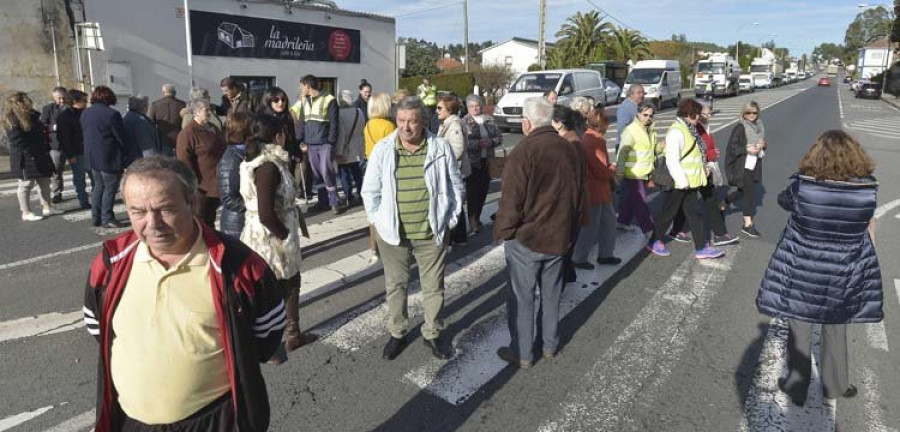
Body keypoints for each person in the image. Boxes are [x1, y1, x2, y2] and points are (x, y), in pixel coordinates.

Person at [82, 156, 286, 432]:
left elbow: (265, 338)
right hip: (130, 423)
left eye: (165, 209)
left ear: (192, 202)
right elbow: (98, 327)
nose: (152, 224)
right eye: (138, 211)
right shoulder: (110, 263)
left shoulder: (240, 268)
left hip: (213, 420)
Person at [757, 130, 882, 407]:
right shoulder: (867, 189)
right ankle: (835, 385)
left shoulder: (803, 186)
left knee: (799, 323)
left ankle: (797, 385)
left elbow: (783, 201)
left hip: (804, 266)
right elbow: (867, 223)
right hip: (844, 269)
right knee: (837, 325)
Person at [361, 96, 464, 361]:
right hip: (393, 235)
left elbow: (455, 186)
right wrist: (378, 220)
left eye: (412, 121)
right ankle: (398, 332)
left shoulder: (440, 147)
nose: (406, 127)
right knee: (396, 286)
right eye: (401, 120)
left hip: (432, 233)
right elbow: (369, 191)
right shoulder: (383, 149)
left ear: (424, 122)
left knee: (434, 287)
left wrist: (450, 218)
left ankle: (432, 332)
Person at [494, 97, 584, 368]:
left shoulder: (524, 151)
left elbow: (511, 200)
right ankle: (549, 346)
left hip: (527, 238)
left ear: (526, 123)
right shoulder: (569, 148)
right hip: (558, 234)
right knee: (552, 294)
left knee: (522, 298)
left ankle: (523, 353)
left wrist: (503, 231)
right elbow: (578, 194)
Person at [240, 115, 317, 365]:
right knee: (284, 285)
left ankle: (286, 336)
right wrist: (284, 235)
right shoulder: (268, 165)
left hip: (264, 232)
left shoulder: (259, 160)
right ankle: (281, 340)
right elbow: (265, 212)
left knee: (279, 285)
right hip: (270, 236)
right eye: (284, 133)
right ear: (277, 136)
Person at [646, 99, 725, 260]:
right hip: (680, 182)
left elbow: (694, 154)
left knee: (693, 213)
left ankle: (701, 247)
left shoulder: (689, 129)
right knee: (669, 213)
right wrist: (682, 181)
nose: (699, 118)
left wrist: (703, 169)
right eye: (697, 114)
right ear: (690, 114)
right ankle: (655, 241)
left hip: (690, 181)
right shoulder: (677, 131)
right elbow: (672, 159)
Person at [668, 102, 739, 246]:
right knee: (680, 206)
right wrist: (711, 154)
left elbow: (703, 149)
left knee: (708, 200)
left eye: (708, 114)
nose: (706, 116)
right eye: (703, 114)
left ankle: (718, 234)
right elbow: (698, 150)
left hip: (702, 169)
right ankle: (670, 233)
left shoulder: (703, 127)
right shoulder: (694, 127)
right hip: (691, 172)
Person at [572, 108, 621, 268]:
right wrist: (613, 169)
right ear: (603, 126)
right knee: (593, 226)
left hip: (592, 189)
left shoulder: (586, 137)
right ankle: (582, 257)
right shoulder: (597, 141)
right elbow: (601, 169)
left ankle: (603, 254)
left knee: (605, 222)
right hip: (597, 189)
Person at [4, 91, 62, 221]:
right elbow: (17, 141)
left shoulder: (33, 115)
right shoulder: (12, 119)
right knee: (25, 184)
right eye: (26, 100)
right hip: (25, 157)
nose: (29, 102)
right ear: (19, 103)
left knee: (44, 182)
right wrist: (30, 153)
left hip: (40, 153)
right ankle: (26, 212)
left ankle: (47, 207)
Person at [296, 74, 344, 214]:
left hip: (324, 144)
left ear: (307, 86)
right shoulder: (305, 101)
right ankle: (323, 201)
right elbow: (302, 122)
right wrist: (301, 141)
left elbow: (335, 124)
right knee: (317, 174)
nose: (300, 89)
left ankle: (334, 201)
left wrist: (330, 142)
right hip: (311, 144)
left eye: (301, 86)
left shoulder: (329, 100)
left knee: (327, 172)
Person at [82, 86, 127, 228]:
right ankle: (107, 217)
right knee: (110, 188)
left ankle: (95, 217)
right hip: (109, 155)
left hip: (92, 156)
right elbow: (120, 136)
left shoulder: (86, 113)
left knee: (98, 186)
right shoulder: (112, 114)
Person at [177, 99, 226, 227]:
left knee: (211, 219)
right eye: (207, 110)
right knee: (201, 222)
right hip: (202, 188)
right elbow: (184, 161)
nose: (210, 112)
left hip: (217, 183)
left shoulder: (213, 128)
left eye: (210, 109)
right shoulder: (188, 133)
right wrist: (194, 184)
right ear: (196, 112)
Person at [363, 93, 396, 264]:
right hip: (386, 169)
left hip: (370, 166)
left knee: (372, 211)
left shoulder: (368, 124)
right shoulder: (389, 126)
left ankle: (373, 248)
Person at [725, 101, 766, 238]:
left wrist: (763, 145)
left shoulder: (759, 126)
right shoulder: (740, 127)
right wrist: (746, 149)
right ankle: (747, 224)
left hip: (755, 162)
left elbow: (761, 143)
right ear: (744, 113)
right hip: (743, 164)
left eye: (754, 112)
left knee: (744, 190)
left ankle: (723, 202)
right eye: (748, 112)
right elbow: (732, 148)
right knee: (749, 194)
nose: (752, 115)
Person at [462, 94, 502, 234]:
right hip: (473, 162)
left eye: (477, 105)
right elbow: (463, 143)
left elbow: (499, 137)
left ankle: (477, 217)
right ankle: (473, 221)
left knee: (483, 190)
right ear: (467, 108)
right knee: (472, 192)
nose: (475, 108)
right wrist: (477, 144)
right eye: (472, 106)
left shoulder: (489, 119)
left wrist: (491, 142)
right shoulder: (464, 121)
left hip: (488, 160)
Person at [614, 101, 657, 234]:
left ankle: (622, 221)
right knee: (641, 203)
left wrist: (661, 148)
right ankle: (650, 231)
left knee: (631, 200)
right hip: (632, 173)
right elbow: (622, 153)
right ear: (638, 114)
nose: (647, 118)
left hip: (644, 172)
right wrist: (619, 173)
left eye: (650, 115)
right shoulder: (631, 130)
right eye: (645, 115)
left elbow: (650, 150)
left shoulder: (650, 130)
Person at [437, 94, 471, 246]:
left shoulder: (454, 125)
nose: (436, 111)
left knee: (454, 204)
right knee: (455, 203)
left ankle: (457, 237)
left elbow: (458, 149)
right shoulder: (447, 123)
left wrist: (445, 164)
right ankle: (458, 237)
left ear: (449, 109)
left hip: (454, 172)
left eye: (439, 108)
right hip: (453, 171)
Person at [217, 112, 252, 239]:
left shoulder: (245, 152)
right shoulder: (231, 159)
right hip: (236, 225)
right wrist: (254, 206)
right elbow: (228, 198)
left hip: (246, 220)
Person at [56, 89, 91, 210]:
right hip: (77, 152)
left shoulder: (84, 113)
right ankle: (83, 200)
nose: (86, 103)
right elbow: (64, 138)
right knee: (79, 177)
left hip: (88, 150)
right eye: (84, 101)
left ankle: (97, 198)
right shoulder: (64, 116)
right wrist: (70, 155)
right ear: (75, 101)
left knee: (94, 176)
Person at [335, 90, 366, 206]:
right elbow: (362, 130)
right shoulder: (359, 112)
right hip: (356, 147)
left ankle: (349, 196)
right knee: (357, 172)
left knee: (344, 173)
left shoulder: (339, 114)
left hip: (344, 148)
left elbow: (341, 134)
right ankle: (361, 192)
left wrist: (338, 151)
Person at [40, 86, 67, 203]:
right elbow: (42, 125)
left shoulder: (70, 108)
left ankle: (83, 193)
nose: (62, 100)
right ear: (54, 98)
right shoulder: (48, 109)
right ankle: (57, 193)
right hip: (56, 145)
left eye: (64, 98)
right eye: (59, 98)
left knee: (81, 170)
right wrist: (53, 127)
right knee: (56, 171)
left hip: (71, 144)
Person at [149, 83, 186, 157]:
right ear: (174, 93)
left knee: (166, 164)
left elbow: (151, 123)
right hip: (179, 138)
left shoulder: (155, 105)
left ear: (163, 93)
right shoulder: (182, 104)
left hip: (163, 140)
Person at [616, 84, 645, 153]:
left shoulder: (635, 106)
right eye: (639, 93)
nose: (642, 95)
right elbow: (622, 128)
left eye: (643, 93)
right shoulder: (626, 107)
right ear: (631, 94)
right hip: (626, 146)